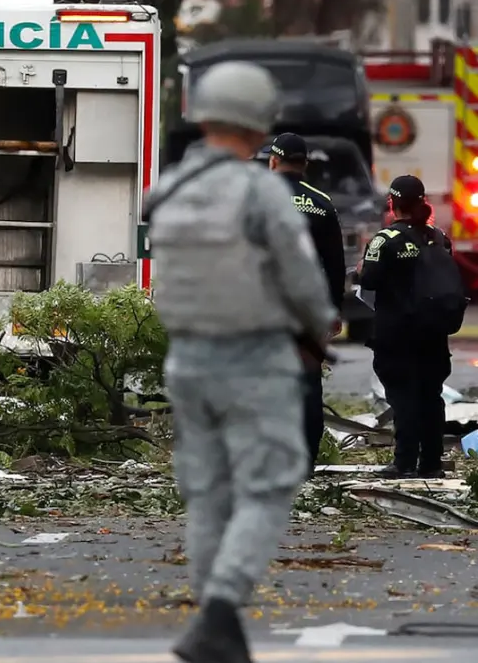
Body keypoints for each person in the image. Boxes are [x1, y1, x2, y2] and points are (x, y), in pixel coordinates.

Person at [146, 61, 337, 663]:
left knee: (207, 493)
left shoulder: (169, 190)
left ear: (203, 115)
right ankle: (222, 609)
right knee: (269, 484)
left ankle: (212, 623)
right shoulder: (261, 193)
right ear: (260, 124)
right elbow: (304, 280)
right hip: (255, 358)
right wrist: (317, 331)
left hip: (187, 360)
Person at [359, 175, 465, 479]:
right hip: (433, 332)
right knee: (431, 396)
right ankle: (431, 463)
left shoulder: (385, 240)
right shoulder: (439, 237)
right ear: (423, 203)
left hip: (397, 335)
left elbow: (369, 281)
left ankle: (404, 462)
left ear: (392, 204)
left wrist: (363, 268)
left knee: (403, 398)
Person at [266, 132, 346, 472]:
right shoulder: (322, 203)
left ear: (273, 161)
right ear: (305, 164)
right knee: (308, 385)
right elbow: (336, 264)